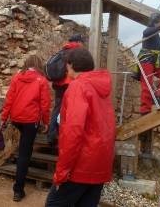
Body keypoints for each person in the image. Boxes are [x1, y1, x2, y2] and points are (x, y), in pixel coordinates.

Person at [45, 48, 116, 207]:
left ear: (71, 65)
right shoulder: (101, 88)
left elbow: (73, 132)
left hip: (80, 167)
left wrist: (61, 173)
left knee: (53, 204)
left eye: (66, 65)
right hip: (100, 164)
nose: (65, 68)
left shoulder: (78, 87)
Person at [1, 55, 51, 202]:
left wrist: (4, 118)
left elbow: (9, 99)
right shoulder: (42, 80)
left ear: (27, 64)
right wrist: (46, 121)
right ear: (38, 65)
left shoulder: (17, 77)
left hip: (17, 118)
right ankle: (18, 189)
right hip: (30, 121)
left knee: (24, 146)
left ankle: (20, 175)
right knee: (25, 153)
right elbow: (45, 104)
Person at [47, 34, 83, 148]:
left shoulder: (63, 50)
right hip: (69, 84)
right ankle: (64, 136)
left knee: (57, 108)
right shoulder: (77, 51)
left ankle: (52, 136)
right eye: (82, 42)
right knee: (70, 110)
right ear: (78, 41)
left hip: (58, 84)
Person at [138, 13, 160, 114]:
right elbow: (146, 32)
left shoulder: (156, 30)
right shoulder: (149, 29)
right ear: (157, 21)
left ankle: (157, 96)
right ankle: (145, 109)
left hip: (155, 61)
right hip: (146, 61)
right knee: (147, 84)